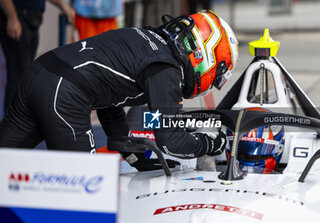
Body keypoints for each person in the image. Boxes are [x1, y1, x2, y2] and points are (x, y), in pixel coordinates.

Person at [0, 10, 239, 171]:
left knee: (3, 161)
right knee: (83, 189)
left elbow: (108, 94)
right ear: (206, 54)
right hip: (65, 93)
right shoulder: (166, 69)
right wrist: (210, 144)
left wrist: (129, 152)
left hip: (39, 72)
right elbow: (171, 142)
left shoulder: (148, 38)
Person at [0, 0, 75, 113]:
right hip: (17, 17)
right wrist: (12, 18)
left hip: (32, 17)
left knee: (26, 74)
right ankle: (12, 124)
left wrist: (63, 6)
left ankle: (21, 121)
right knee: (18, 75)